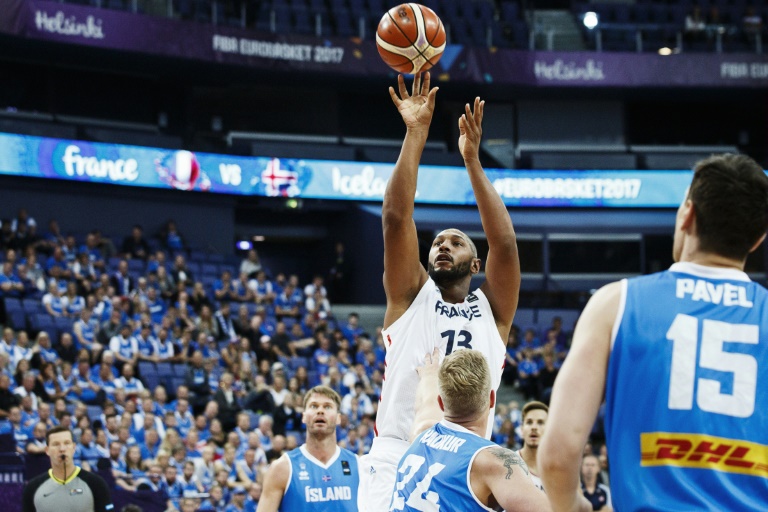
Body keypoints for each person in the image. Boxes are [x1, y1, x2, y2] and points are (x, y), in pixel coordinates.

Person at [539, 154, 768, 512]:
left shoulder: (616, 303)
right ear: (758, 239)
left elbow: (558, 455)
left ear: (687, 214)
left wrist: (572, 506)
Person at [364, 72, 521, 511]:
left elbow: (505, 245)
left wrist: (472, 160)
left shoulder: (493, 311)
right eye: (437, 242)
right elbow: (395, 218)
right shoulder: (410, 297)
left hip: (466, 459)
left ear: (476, 264)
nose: (443, 246)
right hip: (397, 451)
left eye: (456, 242)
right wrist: (416, 133)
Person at [390, 349, 582, 512]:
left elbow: (426, 401)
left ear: (442, 403)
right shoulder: (493, 462)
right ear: (491, 399)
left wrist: (430, 375)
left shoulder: (422, 432)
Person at [257, 385, 360, 512]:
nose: (320, 411)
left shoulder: (358, 466)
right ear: (304, 416)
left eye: (327, 407)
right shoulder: (282, 468)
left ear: (338, 418)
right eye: (314, 406)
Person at [22, 425, 114, 512]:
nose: (62, 449)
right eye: (56, 444)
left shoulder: (96, 483)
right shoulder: (33, 488)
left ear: (73, 448)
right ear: (47, 450)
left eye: (67, 443)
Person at [516, 401, 548, 491]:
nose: (534, 427)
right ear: (522, 429)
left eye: (540, 422)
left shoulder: (559, 469)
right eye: (529, 422)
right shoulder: (508, 465)